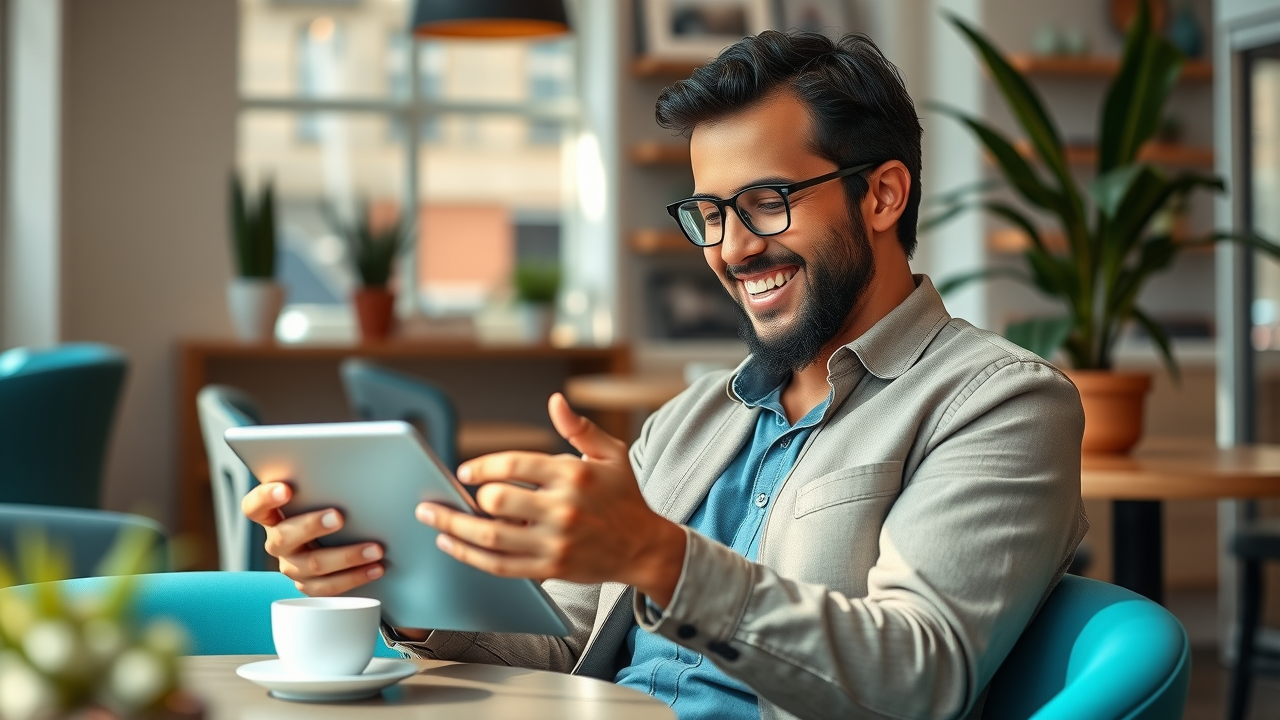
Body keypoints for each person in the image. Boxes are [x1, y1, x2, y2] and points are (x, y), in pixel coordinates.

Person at [242, 30, 1086, 720]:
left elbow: (919, 679)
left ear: (882, 195)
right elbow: (566, 644)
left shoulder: (1002, 403)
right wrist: (405, 586)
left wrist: (663, 559)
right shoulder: (691, 421)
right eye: (709, 214)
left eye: (766, 201)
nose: (731, 248)